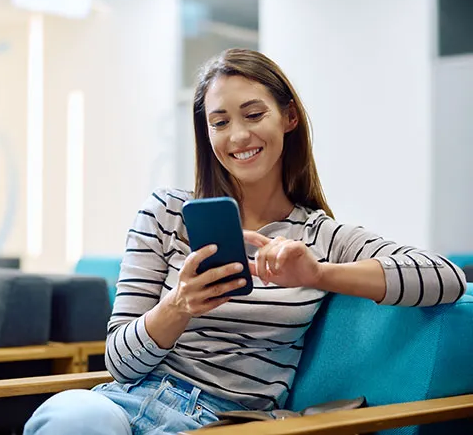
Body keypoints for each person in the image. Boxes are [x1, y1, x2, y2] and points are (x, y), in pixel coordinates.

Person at [23, 48, 467, 435]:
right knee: (72, 419)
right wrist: (178, 306)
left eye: (254, 115)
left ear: (289, 117)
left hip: (225, 422)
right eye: (220, 122)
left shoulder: (319, 236)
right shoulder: (164, 213)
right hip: (125, 403)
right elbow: (120, 363)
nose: (238, 136)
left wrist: (317, 273)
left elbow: (445, 278)